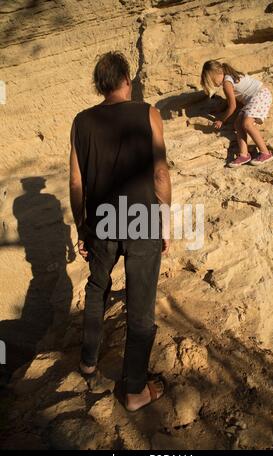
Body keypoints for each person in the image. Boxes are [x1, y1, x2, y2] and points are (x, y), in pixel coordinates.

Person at [69, 51, 172, 412]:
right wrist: (164, 219)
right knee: (140, 307)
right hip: (142, 220)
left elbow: (76, 180)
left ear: (100, 85)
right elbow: (160, 171)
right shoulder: (149, 113)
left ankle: (88, 361)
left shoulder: (81, 121)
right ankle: (134, 391)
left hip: (101, 222)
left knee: (97, 289)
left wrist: (82, 225)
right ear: (127, 80)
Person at [200, 60, 273, 167]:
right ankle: (244, 155)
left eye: (212, 80)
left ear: (218, 73)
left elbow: (232, 106)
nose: (214, 84)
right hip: (253, 99)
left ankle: (265, 153)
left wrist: (221, 120)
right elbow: (233, 101)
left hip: (260, 95)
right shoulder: (228, 77)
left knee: (247, 124)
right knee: (238, 124)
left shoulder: (226, 83)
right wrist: (220, 109)